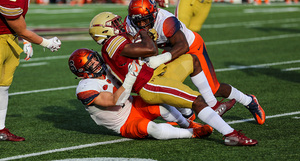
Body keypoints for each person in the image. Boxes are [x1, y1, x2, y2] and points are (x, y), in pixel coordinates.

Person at [89, 11, 258, 146]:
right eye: (114, 24)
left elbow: (148, 49)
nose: (119, 25)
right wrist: (144, 32)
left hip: (153, 72)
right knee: (197, 101)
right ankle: (231, 135)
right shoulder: (112, 43)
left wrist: (145, 37)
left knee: (192, 60)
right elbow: (150, 50)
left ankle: (212, 106)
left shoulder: (114, 43)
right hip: (149, 84)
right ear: (104, 31)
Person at [125, 0, 265, 126]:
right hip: (169, 49)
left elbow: (183, 45)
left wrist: (160, 58)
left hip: (190, 46)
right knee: (163, 85)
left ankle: (249, 101)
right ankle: (187, 113)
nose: (142, 24)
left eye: (146, 19)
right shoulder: (130, 23)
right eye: (138, 21)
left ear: (154, 14)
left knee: (213, 88)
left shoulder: (165, 21)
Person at [68, 48, 213, 140]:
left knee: (161, 104)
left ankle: (188, 123)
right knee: (151, 128)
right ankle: (191, 133)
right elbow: (115, 100)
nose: (97, 63)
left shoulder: (107, 67)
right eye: (91, 65)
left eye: (95, 59)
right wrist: (131, 76)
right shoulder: (86, 88)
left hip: (133, 104)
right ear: (83, 73)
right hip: (123, 123)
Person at [0, 0, 61, 142]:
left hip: (9, 36)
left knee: (3, 85)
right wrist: (46, 43)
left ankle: (0, 128)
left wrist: (25, 38)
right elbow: (20, 29)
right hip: (2, 36)